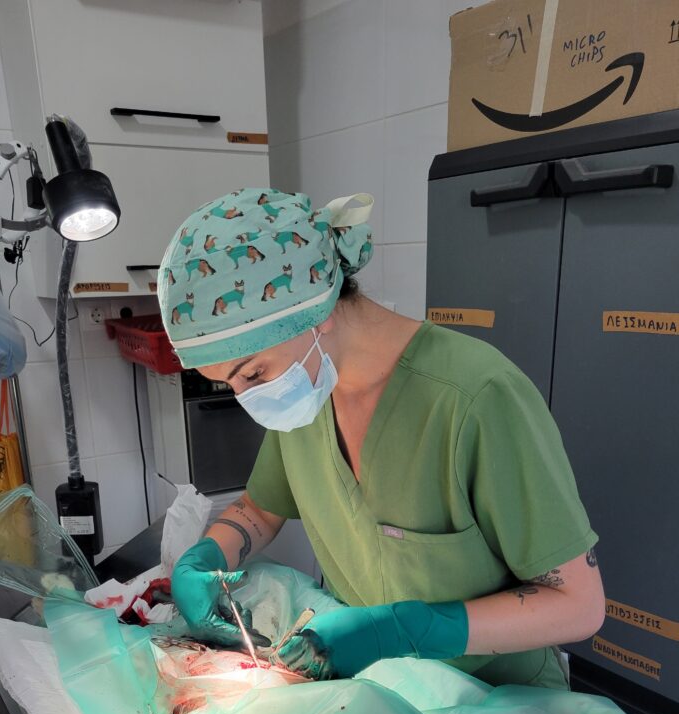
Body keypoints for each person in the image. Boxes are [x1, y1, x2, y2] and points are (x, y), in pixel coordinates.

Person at [158, 188, 604, 687]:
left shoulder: (476, 397)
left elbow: (579, 607)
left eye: (254, 373)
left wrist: (405, 629)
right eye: (228, 384)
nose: (246, 397)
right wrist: (205, 559)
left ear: (315, 310)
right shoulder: (308, 395)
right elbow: (262, 509)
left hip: (499, 708)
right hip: (381, 693)